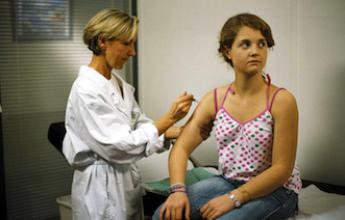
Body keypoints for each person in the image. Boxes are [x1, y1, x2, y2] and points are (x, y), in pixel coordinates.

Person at [153, 13, 302, 220]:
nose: (255, 51)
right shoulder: (215, 99)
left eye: (262, 44)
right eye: (245, 45)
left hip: (277, 190)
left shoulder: (282, 101)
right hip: (229, 180)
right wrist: (177, 191)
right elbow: (181, 147)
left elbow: (281, 169)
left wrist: (234, 198)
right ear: (227, 51)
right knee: (162, 215)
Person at [62, 8, 196, 220]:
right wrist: (170, 118)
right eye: (127, 43)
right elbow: (118, 147)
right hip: (101, 189)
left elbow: (141, 126)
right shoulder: (85, 90)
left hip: (125, 183)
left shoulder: (119, 85)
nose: (133, 52)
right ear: (103, 41)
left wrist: (176, 131)